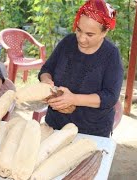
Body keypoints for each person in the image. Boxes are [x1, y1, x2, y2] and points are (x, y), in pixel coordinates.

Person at [38, 0, 124, 137]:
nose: (81, 39)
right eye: (79, 30)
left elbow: (110, 97)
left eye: (90, 35)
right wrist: (46, 82)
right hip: (55, 124)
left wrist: (73, 99)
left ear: (105, 32)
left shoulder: (110, 55)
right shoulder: (67, 43)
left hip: (91, 131)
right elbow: (46, 69)